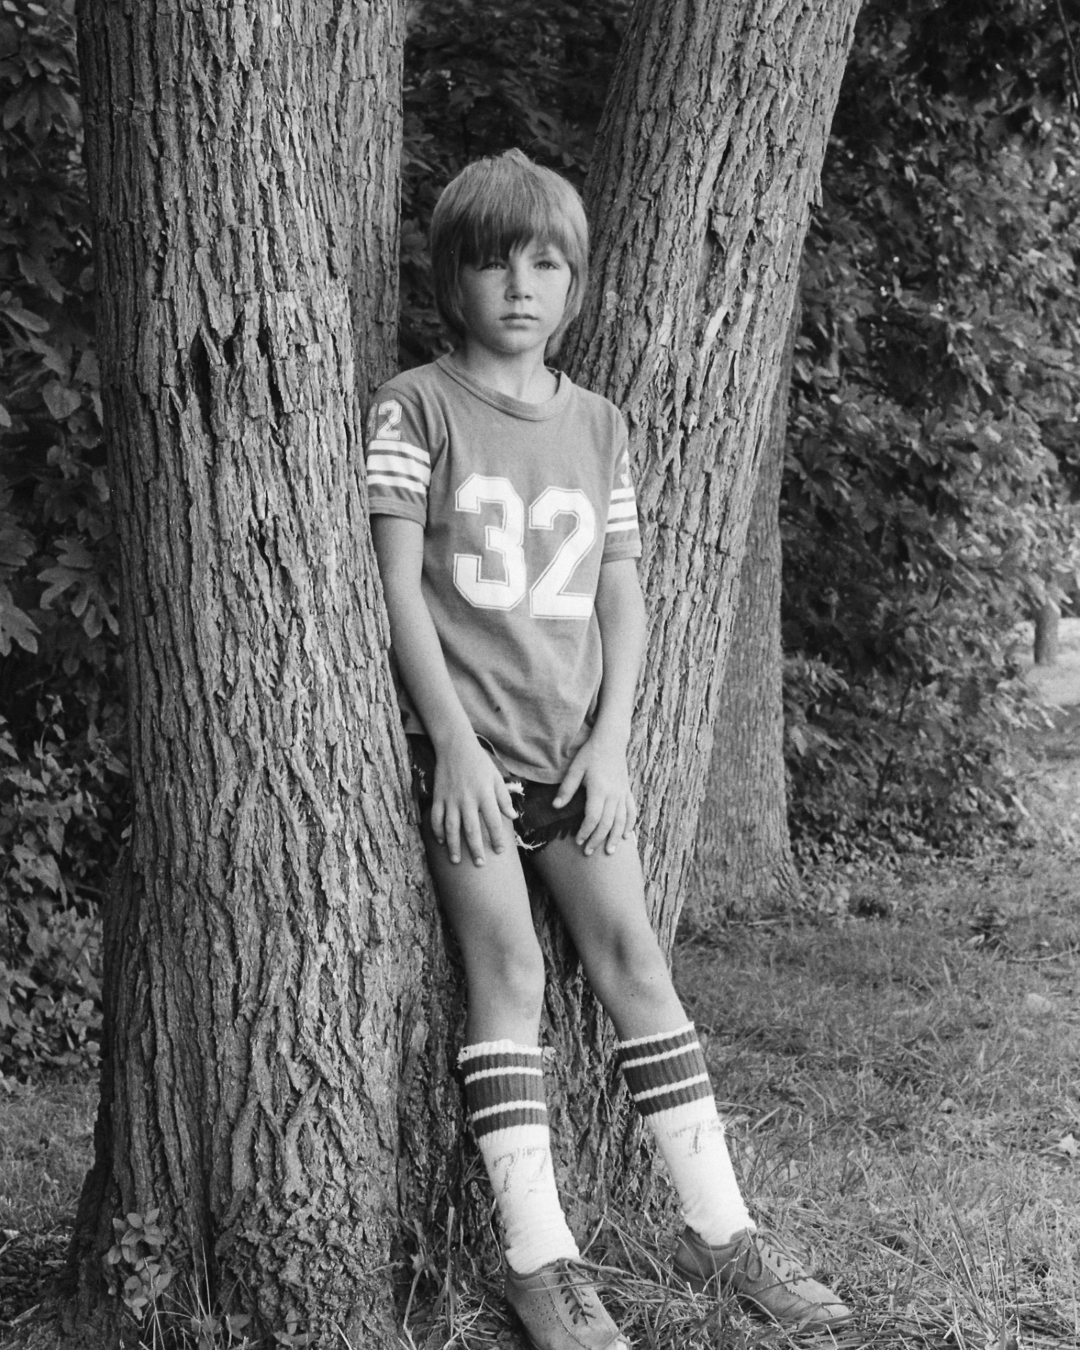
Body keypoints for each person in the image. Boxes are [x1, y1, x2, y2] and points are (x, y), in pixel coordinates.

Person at [365, 148, 852, 1350]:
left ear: (575, 284)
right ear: (452, 278)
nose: (519, 286)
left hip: (576, 758)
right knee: (512, 976)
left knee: (637, 963)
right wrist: (455, 748)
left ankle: (723, 1229)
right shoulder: (414, 406)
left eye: (544, 263)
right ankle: (542, 1259)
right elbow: (394, 588)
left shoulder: (600, 423)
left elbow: (623, 592)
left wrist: (617, 742)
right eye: (492, 262)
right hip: (468, 761)